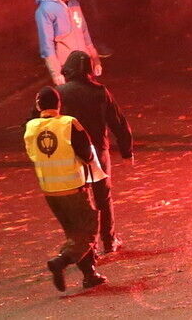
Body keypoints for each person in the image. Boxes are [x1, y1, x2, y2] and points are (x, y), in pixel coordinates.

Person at [23, 87, 107, 291]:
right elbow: (87, 155)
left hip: (50, 191)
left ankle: (89, 274)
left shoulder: (31, 127)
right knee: (88, 231)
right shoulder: (69, 123)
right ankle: (60, 261)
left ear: (38, 106)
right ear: (59, 104)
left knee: (74, 234)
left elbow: (33, 154)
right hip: (74, 188)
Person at [57, 50, 133, 254]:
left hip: (71, 154)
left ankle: (85, 245)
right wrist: (126, 151)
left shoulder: (60, 93)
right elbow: (118, 122)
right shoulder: (100, 92)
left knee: (80, 200)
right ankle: (109, 240)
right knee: (103, 198)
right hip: (98, 152)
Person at [35, 0, 102, 85]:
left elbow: (85, 34)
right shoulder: (46, 9)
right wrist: (56, 73)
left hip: (85, 66)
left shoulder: (74, 4)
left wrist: (95, 60)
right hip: (67, 70)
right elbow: (47, 46)